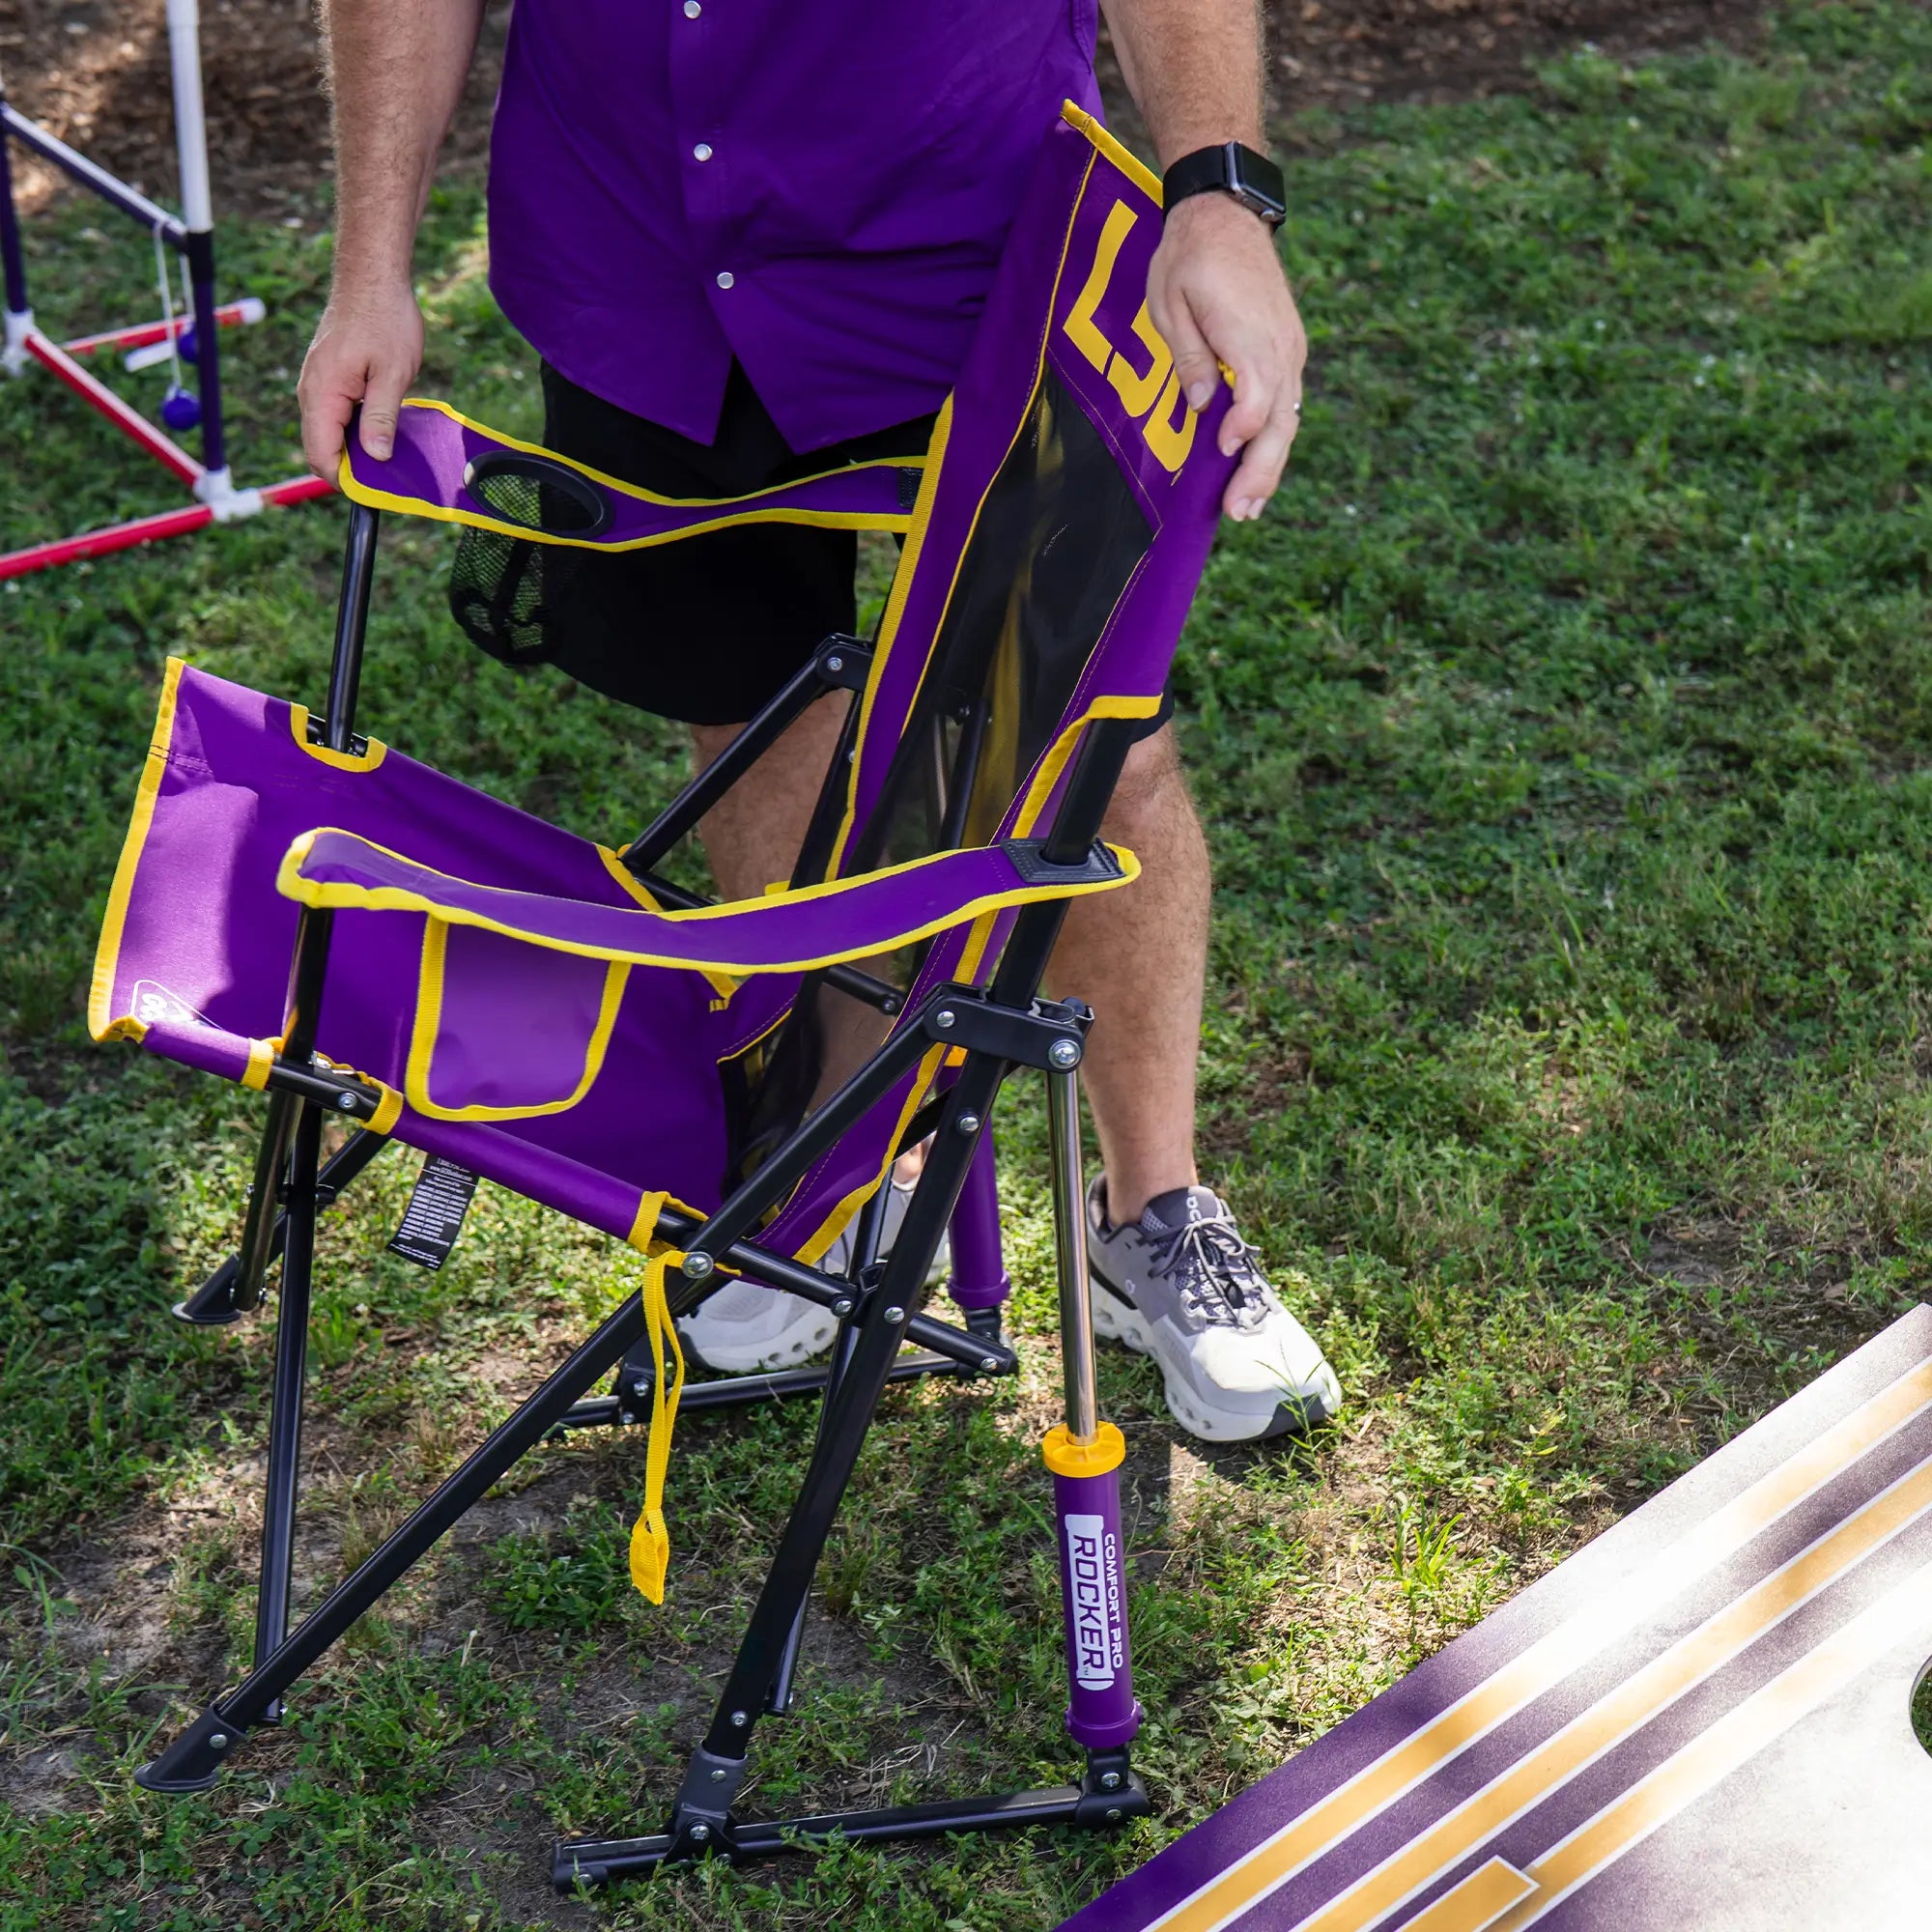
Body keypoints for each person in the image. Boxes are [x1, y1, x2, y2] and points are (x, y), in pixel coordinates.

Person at [298, 0, 1342, 1444]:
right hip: (637, 255)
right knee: (751, 702)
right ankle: (836, 1165)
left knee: (1097, 753)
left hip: (974, 245)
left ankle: (1153, 1214)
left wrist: (1218, 195)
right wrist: (371, 271)